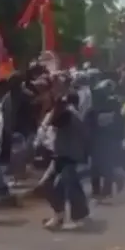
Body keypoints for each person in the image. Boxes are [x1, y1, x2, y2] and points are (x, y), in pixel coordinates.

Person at [43, 93, 91, 230]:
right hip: (58, 155)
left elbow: (85, 135)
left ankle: (80, 216)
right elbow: (50, 125)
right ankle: (59, 213)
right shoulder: (57, 113)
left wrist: (82, 153)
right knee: (46, 184)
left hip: (71, 157)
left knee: (69, 186)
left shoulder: (72, 116)